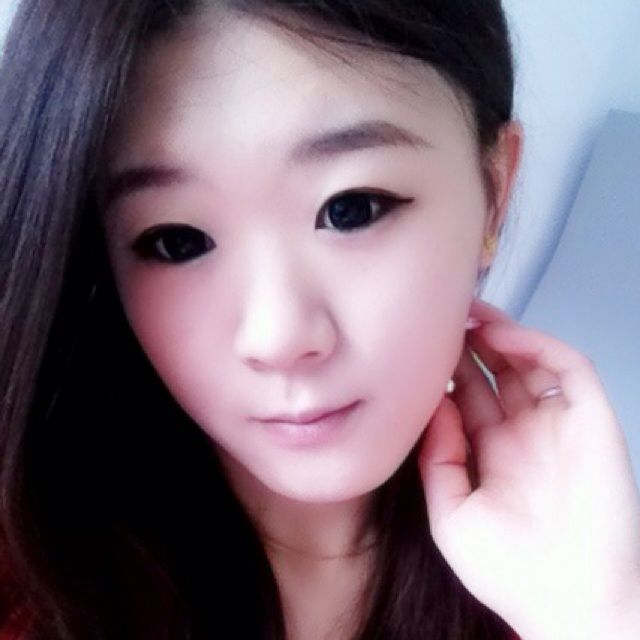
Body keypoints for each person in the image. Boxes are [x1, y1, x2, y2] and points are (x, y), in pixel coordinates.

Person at [1, 1, 640, 638]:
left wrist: (593, 618)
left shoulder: (565, 569)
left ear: (494, 193)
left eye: (352, 209)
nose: (276, 336)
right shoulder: (29, 577)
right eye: (177, 241)